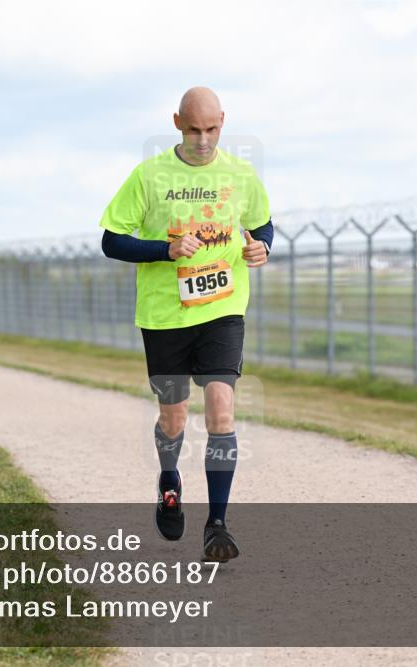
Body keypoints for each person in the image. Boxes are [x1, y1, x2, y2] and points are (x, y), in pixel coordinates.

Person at [98, 87, 273, 562]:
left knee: (221, 411)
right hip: (164, 315)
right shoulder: (149, 175)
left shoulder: (240, 174)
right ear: (177, 122)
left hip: (222, 308)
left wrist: (262, 247)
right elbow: (112, 241)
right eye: (193, 129)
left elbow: (262, 225)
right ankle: (170, 478)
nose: (202, 139)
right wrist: (164, 250)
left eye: (211, 129)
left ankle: (217, 524)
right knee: (173, 418)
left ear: (223, 122)